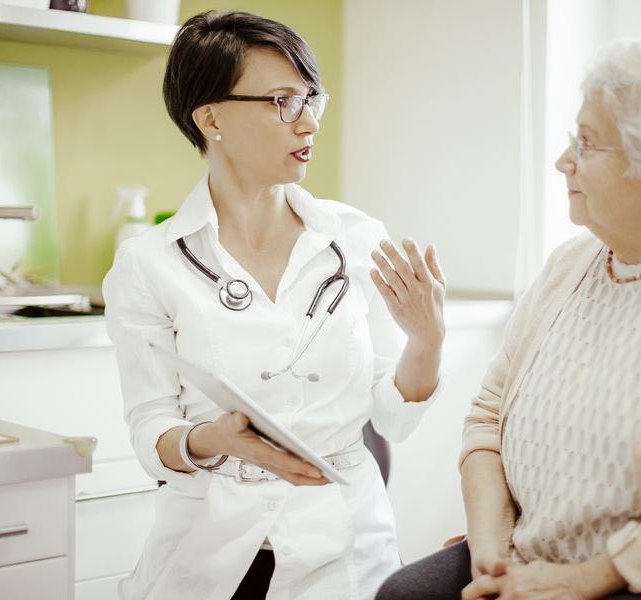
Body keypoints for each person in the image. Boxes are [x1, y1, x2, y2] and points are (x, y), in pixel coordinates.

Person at [377, 38, 641, 600]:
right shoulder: (571, 263)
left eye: (589, 144)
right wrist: (491, 555)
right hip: (527, 553)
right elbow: (487, 421)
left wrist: (586, 580)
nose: (563, 161)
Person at [103, 10, 446, 600]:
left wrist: (428, 341)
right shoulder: (148, 263)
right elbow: (150, 432)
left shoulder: (357, 238)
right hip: (209, 543)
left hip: (342, 541)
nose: (308, 121)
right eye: (283, 101)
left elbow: (392, 419)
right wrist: (215, 439)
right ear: (211, 118)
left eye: (312, 98)